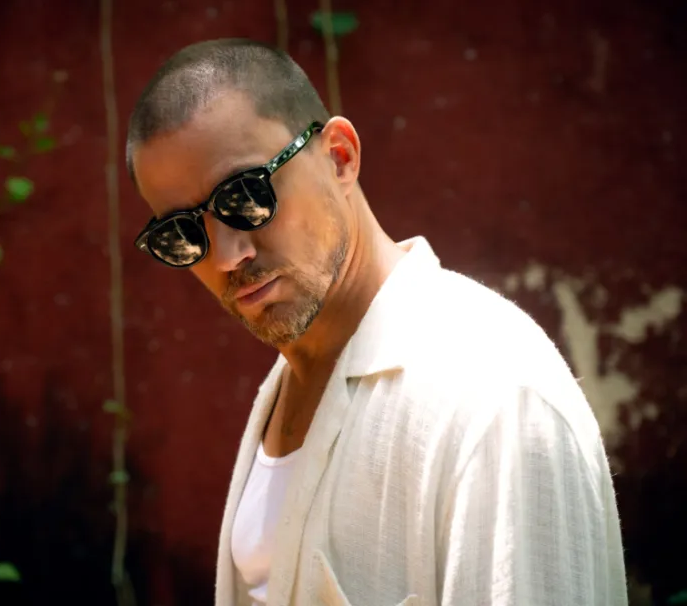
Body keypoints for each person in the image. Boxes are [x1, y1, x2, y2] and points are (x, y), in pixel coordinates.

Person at [125, 38, 628, 606]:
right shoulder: (292, 383)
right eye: (181, 234)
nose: (225, 256)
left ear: (339, 157)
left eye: (244, 197)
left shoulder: (491, 394)